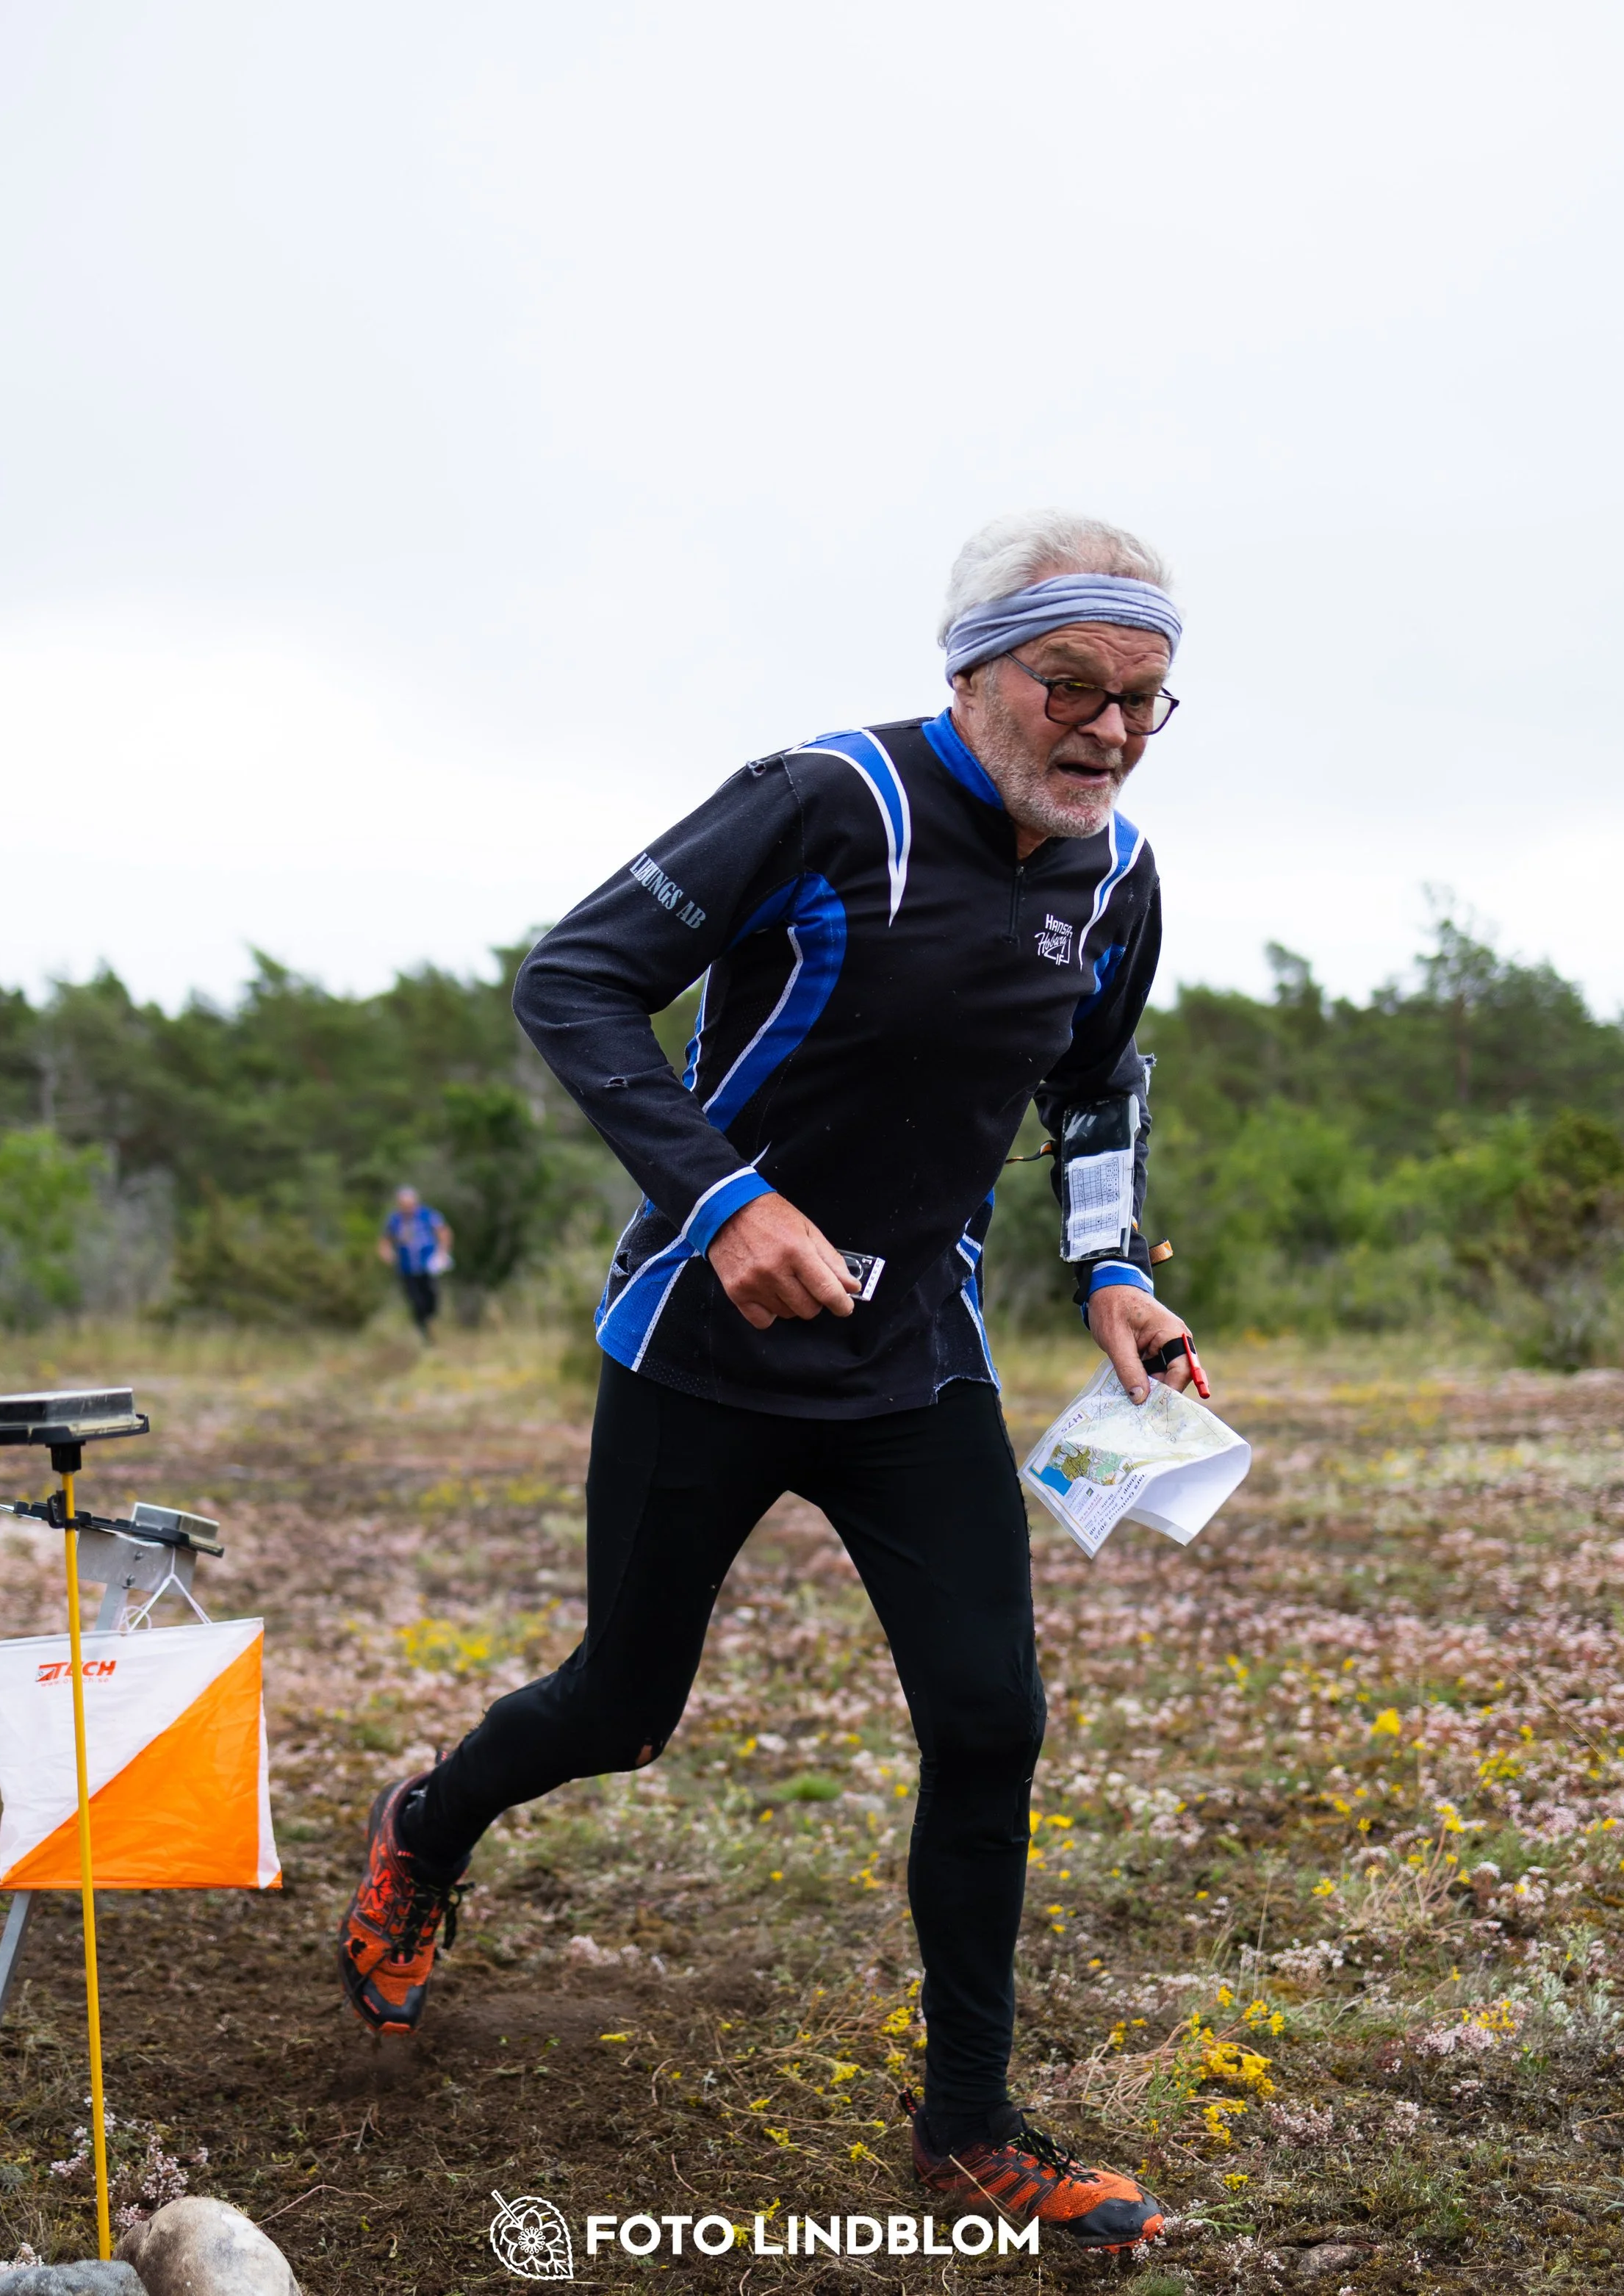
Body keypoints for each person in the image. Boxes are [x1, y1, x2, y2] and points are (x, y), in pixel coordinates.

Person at [338, 511, 1209, 2250]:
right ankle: (427, 1828)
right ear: (972, 673)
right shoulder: (830, 803)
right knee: (623, 1709)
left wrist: (1106, 1266)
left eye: (1147, 698)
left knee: (989, 1721)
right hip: (704, 1346)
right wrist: (723, 1198)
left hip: (912, 1360)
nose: (1109, 729)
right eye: (1074, 685)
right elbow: (574, 980)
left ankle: (969, 2130)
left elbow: (1096, 1080)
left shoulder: (1115, 874)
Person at [378, 1186, 452, 1340]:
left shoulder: (428, 1215)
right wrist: (387, 1254)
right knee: (416, 1302)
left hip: (427, 1266)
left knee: (432, 1297)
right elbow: (385, 1241)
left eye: (410, 1205)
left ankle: (432, 1322)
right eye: (404, 1205)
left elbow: (444, 1232)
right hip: (407, 1269)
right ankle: (424, 1334)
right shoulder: (394, 1220)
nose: (408, 1208)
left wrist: (442, 1252)